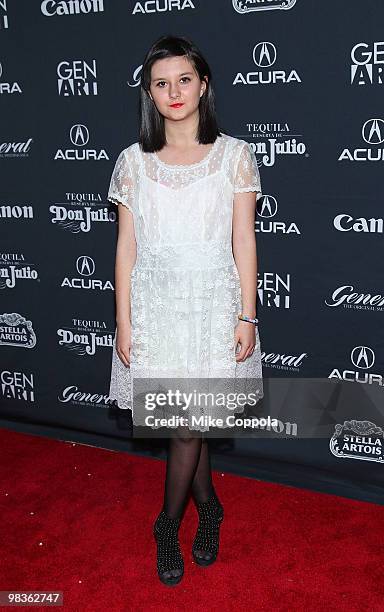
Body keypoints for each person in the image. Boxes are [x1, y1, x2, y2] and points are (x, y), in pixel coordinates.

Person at [107, 34, 263, 586]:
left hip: (212, 307)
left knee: (188, 425)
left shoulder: (235, 156)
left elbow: (243, 240)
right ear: (149, 93)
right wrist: (123, 321)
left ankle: (167, 523)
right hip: (156, 307)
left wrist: (248, 315)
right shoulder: (133, 163)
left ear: (203, 84)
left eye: (183, 80)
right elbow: (126, 246)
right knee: (185, 423)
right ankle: (210, 509)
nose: (173, 92)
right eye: (161, 83)